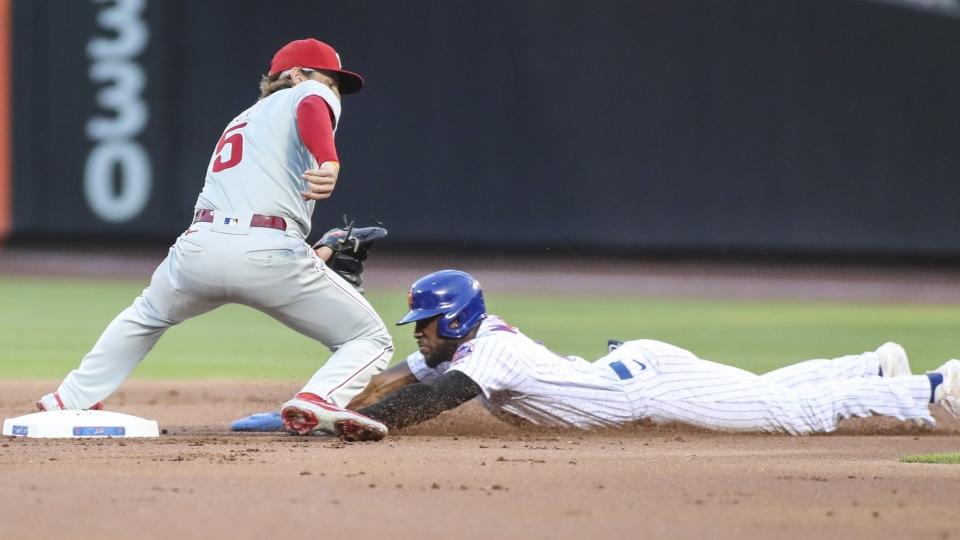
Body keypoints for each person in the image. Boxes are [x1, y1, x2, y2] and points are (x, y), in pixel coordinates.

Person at [37, 38, 393, 438]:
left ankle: (70, 398)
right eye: (331, 80)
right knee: (370, 338)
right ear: (296, 74)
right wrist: (329, 159)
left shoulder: (243, 120)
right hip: (268, 249)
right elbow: (312, 105)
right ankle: (318, 397)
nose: (334, 91)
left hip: (198, 248)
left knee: (146, 315)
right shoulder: (306, 92)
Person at [234, 269, 960, 440]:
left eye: (424, 323)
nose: (415, 332)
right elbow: (389, 380)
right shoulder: (463, 344)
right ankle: (869, 366)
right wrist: (313, 409)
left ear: (454, 321)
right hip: (640, 367)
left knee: (788, 413)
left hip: (651, 389)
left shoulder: (489, 353)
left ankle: (933, 385)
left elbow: (427, 400)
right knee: (767, 393)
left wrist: (364, 427)